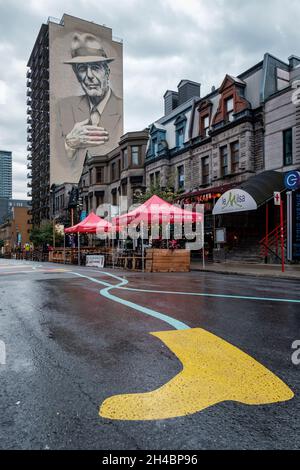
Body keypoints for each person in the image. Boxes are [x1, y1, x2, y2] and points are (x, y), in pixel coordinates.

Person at [55, 32, 123, 183]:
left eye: (95, 67)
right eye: (82, 69)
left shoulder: (119, 109)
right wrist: (69, 144)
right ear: (77, 75)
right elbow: (58, 160)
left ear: (107, 71)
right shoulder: (63, 107)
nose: (89, 75)